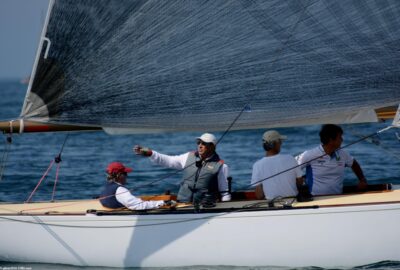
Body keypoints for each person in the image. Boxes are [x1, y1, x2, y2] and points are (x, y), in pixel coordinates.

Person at [134, 133, 231, 204]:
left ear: (212, 147)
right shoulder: (188, 157)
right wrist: (151, 153)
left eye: (204, 143)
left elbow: (224, 193)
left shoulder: (221, 166)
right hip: (183, 204)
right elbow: (168, 161)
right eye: (198, 142)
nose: (200, 145)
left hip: (205, 207)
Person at [296, 124, 368, 195]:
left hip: (337, 198)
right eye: (340, 137)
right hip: (316, 199)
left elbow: (353, 163)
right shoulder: (310, 154)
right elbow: (294, 167)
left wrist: (362, 180)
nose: (342, 140)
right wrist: (299, 180)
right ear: (331, 140)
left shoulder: (343, 154)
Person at [251, 130, 303, 200]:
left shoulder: (257, 165)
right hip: (293, 201)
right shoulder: (290, 158)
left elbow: (259, 196)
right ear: (275, 143)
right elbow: (300, 182)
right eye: (280, 141)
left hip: (272, 205)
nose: (281, 144)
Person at [99, 161, 170, 210]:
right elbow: (138, 205)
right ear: (119, 175)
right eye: (125, 174)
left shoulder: (106, 187)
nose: (127, 176)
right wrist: (162, 203)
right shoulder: (120, 190)